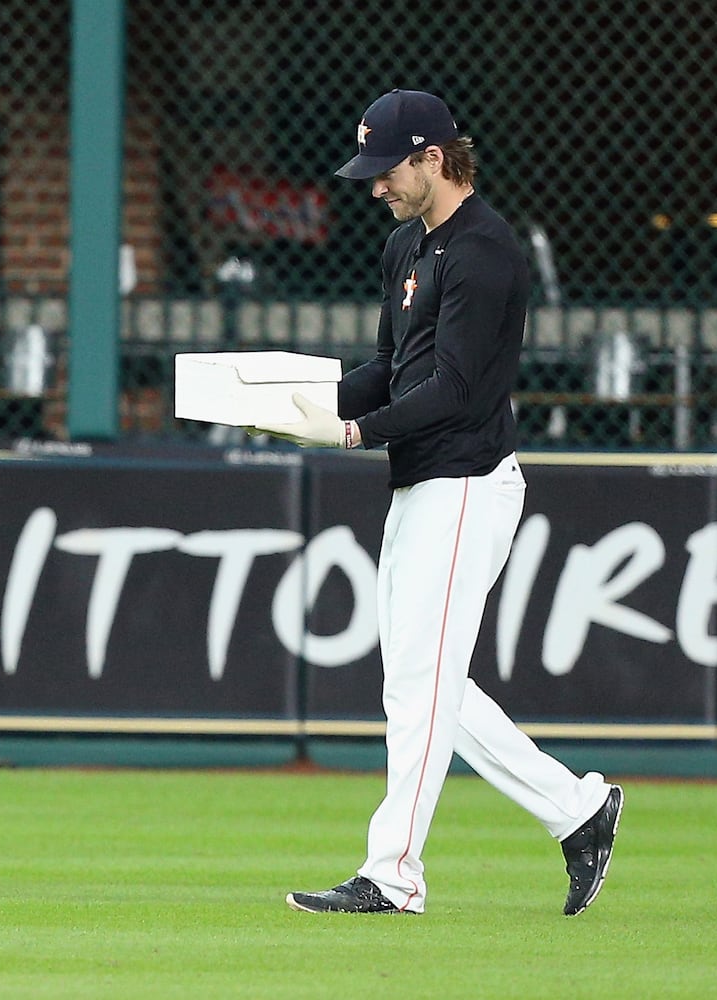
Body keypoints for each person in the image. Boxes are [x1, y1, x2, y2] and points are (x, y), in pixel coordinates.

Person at [254, 90, 622, 916]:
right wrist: (292, 399)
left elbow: (453, 388)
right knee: (424, 683)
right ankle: (579, 809)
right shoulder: (403, 247)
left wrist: (354, 433)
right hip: (422, 482)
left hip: (465, 481)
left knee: (415, 684)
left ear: (432, 157)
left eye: (387, 170)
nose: (375, 186)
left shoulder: (485, 250)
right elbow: (390, 365)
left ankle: (392, 874)